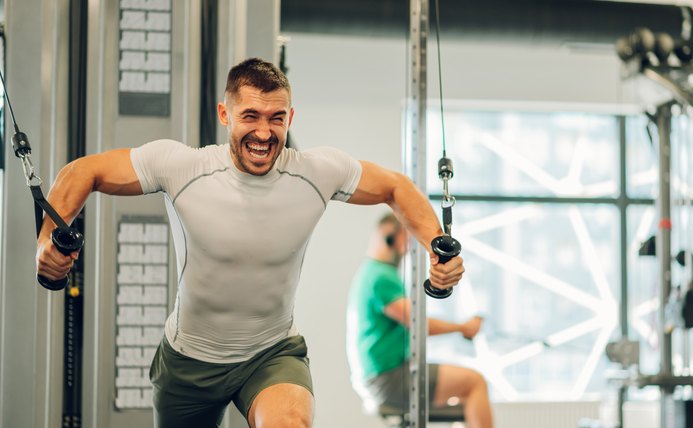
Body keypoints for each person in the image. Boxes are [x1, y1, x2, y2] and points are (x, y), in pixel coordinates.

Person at [35, 58, 464, 428]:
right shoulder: (183, 167)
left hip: (271, 353)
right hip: (189, 362)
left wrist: (435, 246)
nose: (264, 132)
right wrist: (46, 245)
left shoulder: (317, 172)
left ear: (290, 119)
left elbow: (395, 186)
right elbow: (81, 173)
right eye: (251, 116)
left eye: (276, 117)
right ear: (225, 114)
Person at [346, 213, 492, 427]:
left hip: (382, 375)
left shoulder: (373, 272)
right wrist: (463, 327)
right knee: (474, 382)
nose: (409, 246)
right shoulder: (381, 277)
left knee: (465, 394)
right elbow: (417, 323)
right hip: (388, 378)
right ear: (389, 237)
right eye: (406, 238)